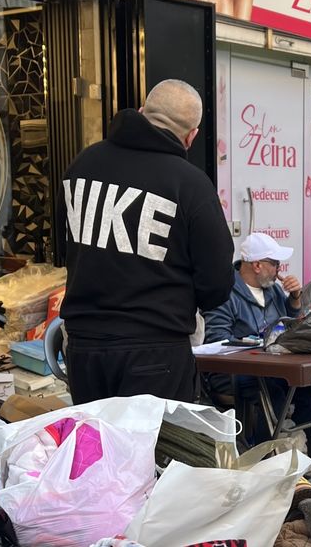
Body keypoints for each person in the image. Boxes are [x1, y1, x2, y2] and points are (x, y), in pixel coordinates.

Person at [57, 79, 234, 405]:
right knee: (156, 440)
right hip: (156, 351)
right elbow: (217, 283)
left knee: (97, 438)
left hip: (84, 349)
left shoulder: (81, 165)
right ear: (191, 136)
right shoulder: (190, 184)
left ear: (141, 111)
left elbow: (65, 248)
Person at [203, 232, 311, 443]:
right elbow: (217, 341)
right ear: (257, 265)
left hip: (275, 370)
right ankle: (265, 452)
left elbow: (290, 327)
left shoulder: (274, 290)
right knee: (272, 391)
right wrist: (257, 343)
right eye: (275, 264)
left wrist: (295, 299)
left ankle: (300, 446)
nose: (279, 270)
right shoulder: (224, 293)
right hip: (235, 374)